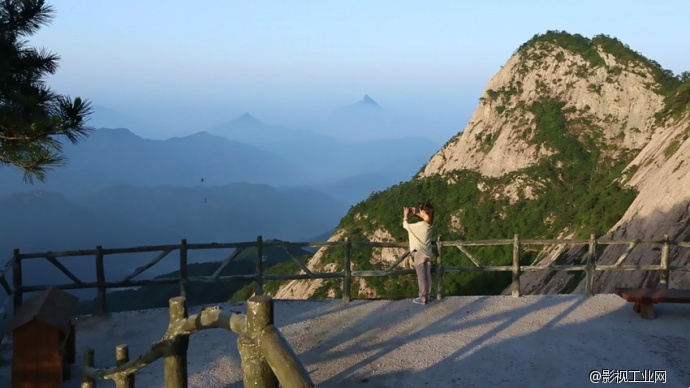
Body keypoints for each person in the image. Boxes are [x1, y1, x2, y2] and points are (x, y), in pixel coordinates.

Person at [403, 201, 434, 305]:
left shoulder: (420, 225)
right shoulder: (431, 223)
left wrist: (406, 215)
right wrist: (415, 213)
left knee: (421, 276)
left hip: (419, 253)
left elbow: (406, 226)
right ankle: (428, 297)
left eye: (420, 210)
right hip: (428, 252)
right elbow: (425, 218)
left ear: (423, 211)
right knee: (427, 275)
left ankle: (422, 298)